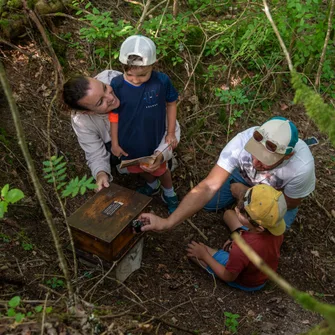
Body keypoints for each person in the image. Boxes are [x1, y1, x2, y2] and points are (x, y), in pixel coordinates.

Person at [138, 116, 315, 231]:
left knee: (258, 233)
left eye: (265, 159)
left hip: (275, 198)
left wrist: (245, 195)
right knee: (208, 204)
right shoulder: (242, 140)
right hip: (243, 177)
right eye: (254, 153)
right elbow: (208, 186)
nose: (256, 162)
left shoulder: (301, 167)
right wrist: (168, 222)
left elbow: (289, 203)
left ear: (287, 155)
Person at [62, 70, 180, 195]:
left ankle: (168, 170)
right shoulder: (82, 121)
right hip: (125, 148)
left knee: (161, 165)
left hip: (150, 136)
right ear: (88, 112)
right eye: (100, 102)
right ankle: (150, 183)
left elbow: (170, 127)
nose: (111, 97)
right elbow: (94, 152)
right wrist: (101, 173)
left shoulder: (122, 82)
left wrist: (162, 153)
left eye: (104, 88)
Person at [109, 35, 179, 213]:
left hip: (153, 139)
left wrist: (170, 133)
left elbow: (171, 103)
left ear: (152, 65)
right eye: (129, 74)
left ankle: (169, 193)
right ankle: (152, 184)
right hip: (129, 141)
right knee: (138, 167)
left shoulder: (161, 81)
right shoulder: (116, 84)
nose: (135, 79)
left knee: (160, 168)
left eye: (142, 75)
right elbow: (114, 114)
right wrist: (115, 143)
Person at [187, 184, 286, 291]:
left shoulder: (242, 249)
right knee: (229, 214)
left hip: (247, 281)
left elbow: (228, 276)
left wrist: (204, 255)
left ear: (260, 228)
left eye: (243, 212)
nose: (237, 208)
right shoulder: (275, 229)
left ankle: (214, 256)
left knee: (194, 252)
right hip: (259, 267)